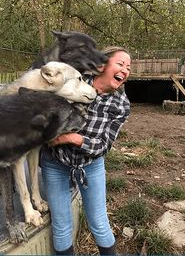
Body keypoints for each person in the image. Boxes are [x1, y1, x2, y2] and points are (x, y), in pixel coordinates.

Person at [40, 46, 131, 255]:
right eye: (120, 63)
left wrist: (71, 138)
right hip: (54, 162)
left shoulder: (121, 105)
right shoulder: (73, 82)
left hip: (91, 165)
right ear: (102, 65)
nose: (125, 70)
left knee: (99, 223)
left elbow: (104, 145)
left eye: (128, 67)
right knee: (61, 227)